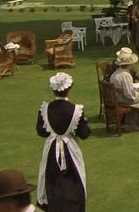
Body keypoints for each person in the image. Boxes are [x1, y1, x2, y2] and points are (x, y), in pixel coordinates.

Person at [36, 72, 90, 212]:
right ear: (69, 88)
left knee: (51, 178)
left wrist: (54, 131)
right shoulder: (76, 110)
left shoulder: (45, 108)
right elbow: (84, 134)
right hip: (70, 148)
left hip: (52, 148)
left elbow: (41, 131)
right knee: (74, 178)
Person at [109, 51, 139, 132]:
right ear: (129, 64)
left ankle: (131, 120)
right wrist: (138, 93)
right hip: (122, 99)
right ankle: (138, 123)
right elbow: (129, 94)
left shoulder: (116, 72)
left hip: (116, 97)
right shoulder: (126, 75)